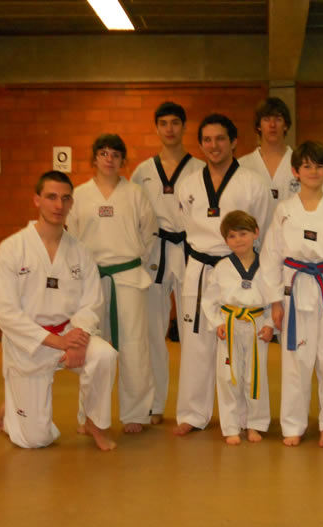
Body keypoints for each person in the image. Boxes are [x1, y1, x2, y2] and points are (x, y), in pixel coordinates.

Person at [0, 171, 117, 451]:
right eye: (51, 197)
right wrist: (58, 342)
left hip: (70, 333)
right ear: (36, 200)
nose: (58, 205)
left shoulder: (80, 251)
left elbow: (92, 302)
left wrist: (77, 338)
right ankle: (13, 405)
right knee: (35, 440)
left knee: (104, 355)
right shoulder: (12, 249)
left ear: (72, 202)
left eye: (65, 198)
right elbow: (7, 314)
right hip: (30, 343)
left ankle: (94, 422)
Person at [174, 113, 270, 435]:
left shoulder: (253, 183)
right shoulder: (188, 185)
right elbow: (187, 226)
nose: (213, 145)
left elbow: (261, 227)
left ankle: (245, 418)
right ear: (200, 144)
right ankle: (192, 414)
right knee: (195, 344)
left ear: (234, 142)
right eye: (207, 140)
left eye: (220, 139)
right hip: (199, 267)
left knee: (241, 348)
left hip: (238, 270)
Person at [260, 141, 323, 447]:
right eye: (306, 166)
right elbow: (271, 257)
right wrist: (274, 301)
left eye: (319, 166)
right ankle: (293, 424)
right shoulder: (284, 211)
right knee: (296, 361)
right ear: (296, 171)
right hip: (295, 290)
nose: (313, 171)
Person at [67, 134, 158, 434]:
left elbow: (149, 234)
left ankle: (136, 413)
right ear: (94, 158)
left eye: (115, 155)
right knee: (92, 349)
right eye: (103, 153)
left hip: (128, 277)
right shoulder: (79, 195)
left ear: (123, 161)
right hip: (91, 279)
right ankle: (90, 415)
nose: (109, 159)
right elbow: (71, 238)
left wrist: (134, 259)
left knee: (134, 347)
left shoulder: (135, 194)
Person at [131, 102, 205, 425]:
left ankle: (192, 409)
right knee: (152, 332)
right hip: (154, 251)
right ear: (156, 128)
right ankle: (154, 403)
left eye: (176, 122)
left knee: (193, 333)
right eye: (163, 123)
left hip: (190, 250)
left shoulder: (199, 168)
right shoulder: (142, 171)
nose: (170, 129)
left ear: (184, 127)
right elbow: (134, 214)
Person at [202, 211, 273, 445]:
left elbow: (275, 300)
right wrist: (217, 323)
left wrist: (270, 324)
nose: (238, 240)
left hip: (256, 324)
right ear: (226, 240)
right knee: (228, 377)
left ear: (256, 233)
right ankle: (231, 426)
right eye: (232, 236)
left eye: (243, 234)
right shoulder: (222, 267)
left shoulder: (267, 266)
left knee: (255, 377)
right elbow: (209, 300)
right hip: (229, 325)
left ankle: (255, 424)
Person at [238, 97, 299, 238]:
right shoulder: (243, 165)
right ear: (259, 126)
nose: (272, 125)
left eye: (278, 119)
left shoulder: (300, 163)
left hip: (292, 243)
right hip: (253, 244)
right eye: (266, 119)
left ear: (286, 125)